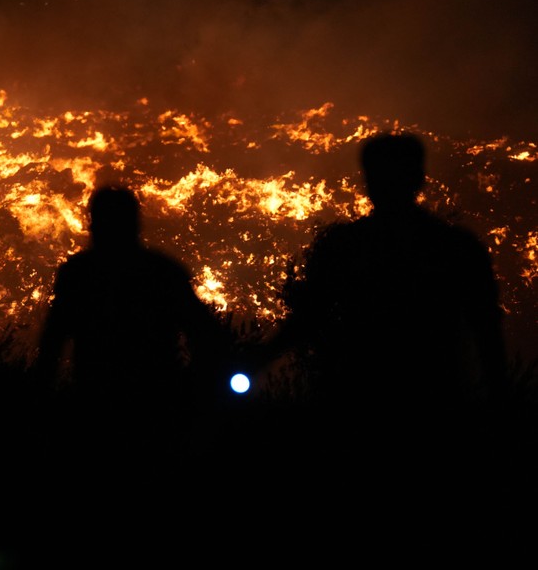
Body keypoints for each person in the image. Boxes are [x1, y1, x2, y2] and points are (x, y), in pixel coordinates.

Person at [266, 132, 507, 424]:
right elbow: (488, 333)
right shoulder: (455, 247)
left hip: (362, 401)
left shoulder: (346, 246)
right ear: (420, 178)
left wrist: (258, 357)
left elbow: (308, 318)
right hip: (432, 403)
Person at [35, 185, 231, 451]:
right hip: (154, 405)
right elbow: (206, 335)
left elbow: (52, 344)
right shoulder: (161, 272)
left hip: (101, 404)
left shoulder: (80, 274)